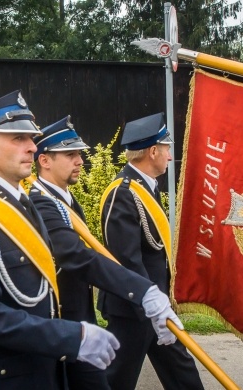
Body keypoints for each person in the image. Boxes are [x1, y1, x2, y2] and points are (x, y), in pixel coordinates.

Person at [0, 90, 121, 390]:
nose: (31, 147)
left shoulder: (25, 205)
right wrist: (69, 337)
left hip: (40, 371)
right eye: (18, 138)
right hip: (0, 379)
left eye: (31, 138)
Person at [29, 116, 184, 390]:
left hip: (80, 317)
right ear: (45, 160)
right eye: (70, 154)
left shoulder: (63, 198)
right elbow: (77, 255)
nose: (79, 161)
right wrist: (145, 292)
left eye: (79, 154)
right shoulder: (41, 202)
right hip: (61, 321)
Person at [98, 112, 204, 389]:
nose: (170, 157)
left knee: (183, 373)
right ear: (153, 151)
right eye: (167, 149)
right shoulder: (123, 192)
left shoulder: (145, 188)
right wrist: (152, 304)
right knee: (116, 380)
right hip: (133, 309)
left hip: (154, 305)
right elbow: (127, 258)